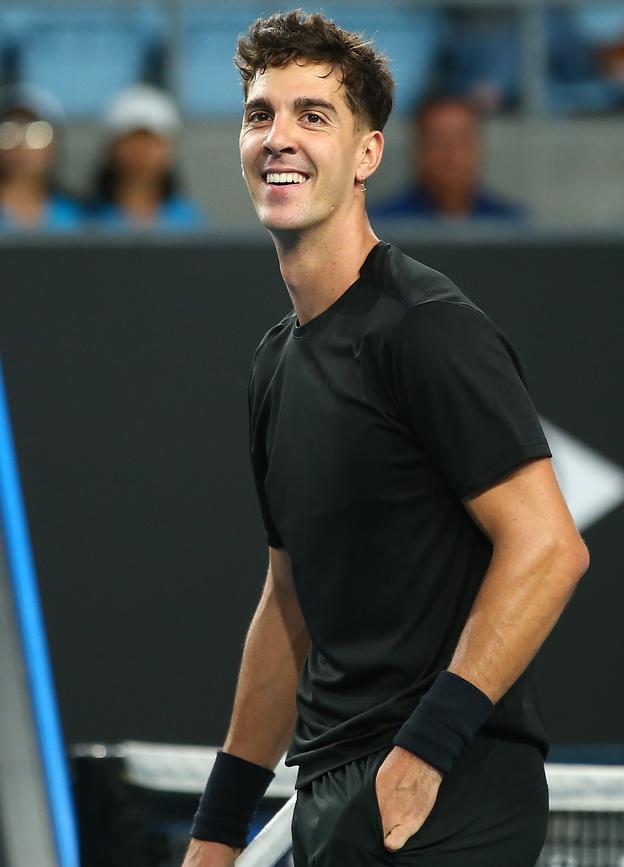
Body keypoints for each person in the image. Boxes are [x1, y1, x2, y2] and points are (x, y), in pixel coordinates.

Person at [183, 10, 589, 867]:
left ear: (368, 154)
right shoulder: (274, 364)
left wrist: (427, 748)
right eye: (261, 113)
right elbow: (288, 598)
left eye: (313, 115)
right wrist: (218, 829)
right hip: (334, 791)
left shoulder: (428, 328)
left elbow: (549, 545)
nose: (279, 137)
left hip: (448, 788)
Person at [371, 95, 527, 221]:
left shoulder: (510, 225)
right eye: (438, 140)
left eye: (460, 140)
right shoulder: (386, 226)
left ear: (479, 147)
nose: (450, 152)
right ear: (418, 150)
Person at [87, 84, 206, 231]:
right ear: (111, 148)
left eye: (153, 141)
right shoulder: (85, 221)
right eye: (131, 139)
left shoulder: (190, 222)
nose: (142, 150)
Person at [0, 84, 83, 231]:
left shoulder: (79, 218)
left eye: (36, 134)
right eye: (8, 133)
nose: (20, 145)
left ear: (54, 145)